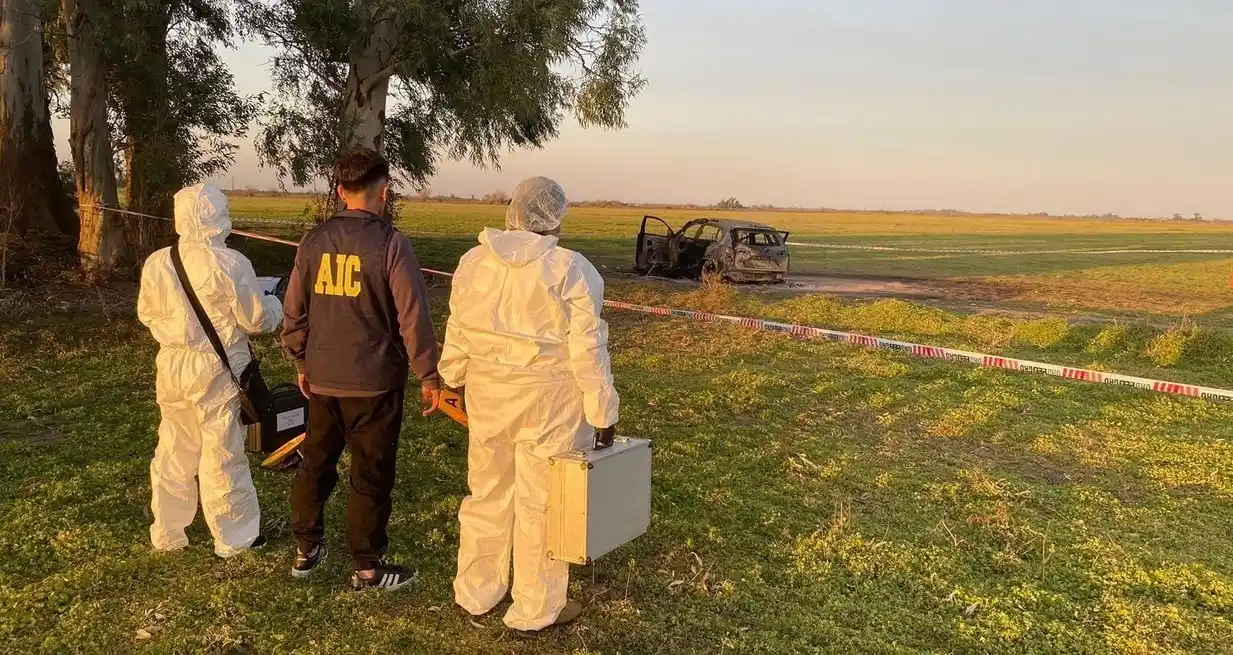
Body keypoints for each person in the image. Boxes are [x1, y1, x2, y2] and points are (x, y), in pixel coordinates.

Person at [439, 176, 620, 636]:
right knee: (542, 502)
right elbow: (588, 347)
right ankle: (536, 607)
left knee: (487, 491)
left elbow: (459, 326)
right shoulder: (570, 268)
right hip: (550, 402)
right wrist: (603, 411)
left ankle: (477, 590)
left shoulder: (474, 261)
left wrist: (451, 376)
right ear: (554, 217)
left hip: (489, 395)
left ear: (514, 210)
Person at [281, 147, 442, 591]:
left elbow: (293, 310)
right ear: (384, 193)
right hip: (375, 384)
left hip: (322, 379)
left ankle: (306, 548)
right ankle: (368, 568)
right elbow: (413, 317)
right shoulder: (391, 243)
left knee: (316, 463)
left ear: (339, 191)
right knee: (370, 474)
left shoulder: (313, 241)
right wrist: (429, 375)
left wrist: (300, 359)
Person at [137, 183, 283, 558]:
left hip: (172, 364)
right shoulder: (231, 263)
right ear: (219, 216)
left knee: (174, 448)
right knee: (222, 452)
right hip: (218, 368)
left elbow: (146, 314)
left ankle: (168, 531)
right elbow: (256, 320)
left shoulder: (159, 261)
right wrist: (275, 304)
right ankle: (234, 537)